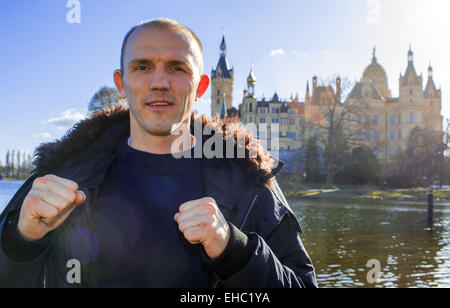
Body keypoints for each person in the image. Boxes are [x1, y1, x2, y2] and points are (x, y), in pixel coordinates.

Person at [0, 18, 317, 288]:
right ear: (121, 83)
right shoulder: (63, 172)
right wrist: (21, 241)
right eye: (143, 66)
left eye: (177, 68)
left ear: (201, 87)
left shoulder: (247, 179)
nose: (160, 81)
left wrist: (236, 250)